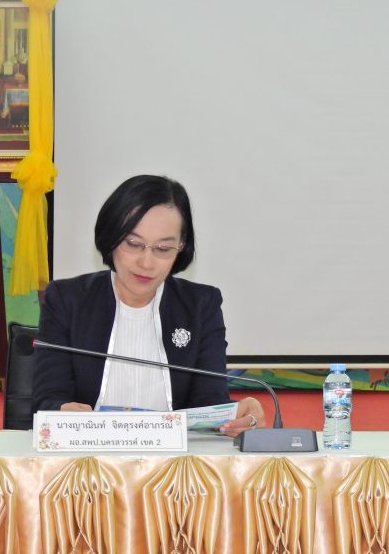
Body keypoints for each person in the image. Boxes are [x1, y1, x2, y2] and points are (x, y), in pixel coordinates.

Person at [32, 174, 264, 438]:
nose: (146, 263)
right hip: (90, 452)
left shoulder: (201, 305)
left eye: (163, 249)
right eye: (133, 244)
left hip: (174, 459)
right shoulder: (67, 299)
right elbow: (46, 400)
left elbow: (208, 403)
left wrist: (235, 415)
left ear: (181, 247)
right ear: (111, 238)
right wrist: (62, 411)